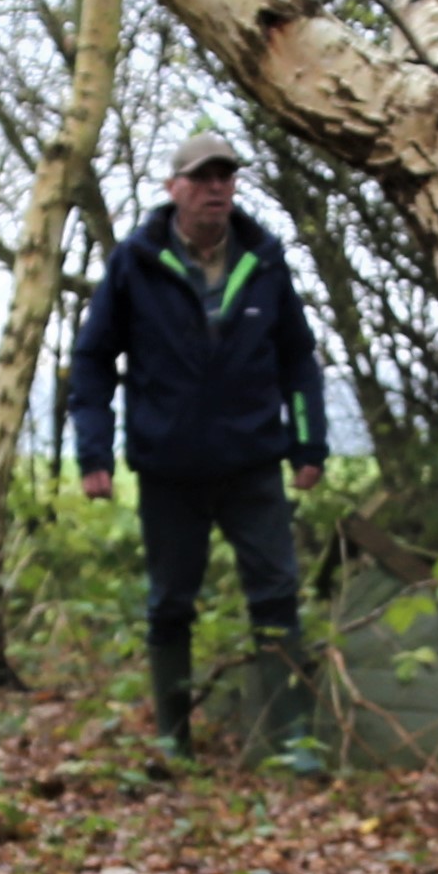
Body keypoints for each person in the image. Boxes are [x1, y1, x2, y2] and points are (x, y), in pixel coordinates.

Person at [66, 129, 330, 770]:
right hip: (169, 467)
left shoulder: (264, 260)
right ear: (174, 188)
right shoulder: (136, 262)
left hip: (252, 463)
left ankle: (295, 743)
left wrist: (308, 443)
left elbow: (298, 359)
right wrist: (94, 454)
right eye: (202, 178)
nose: (216, 189)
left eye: (225, 178)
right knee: (170, 604)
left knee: (275, 596)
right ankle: (173, 743)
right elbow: (94, 361)